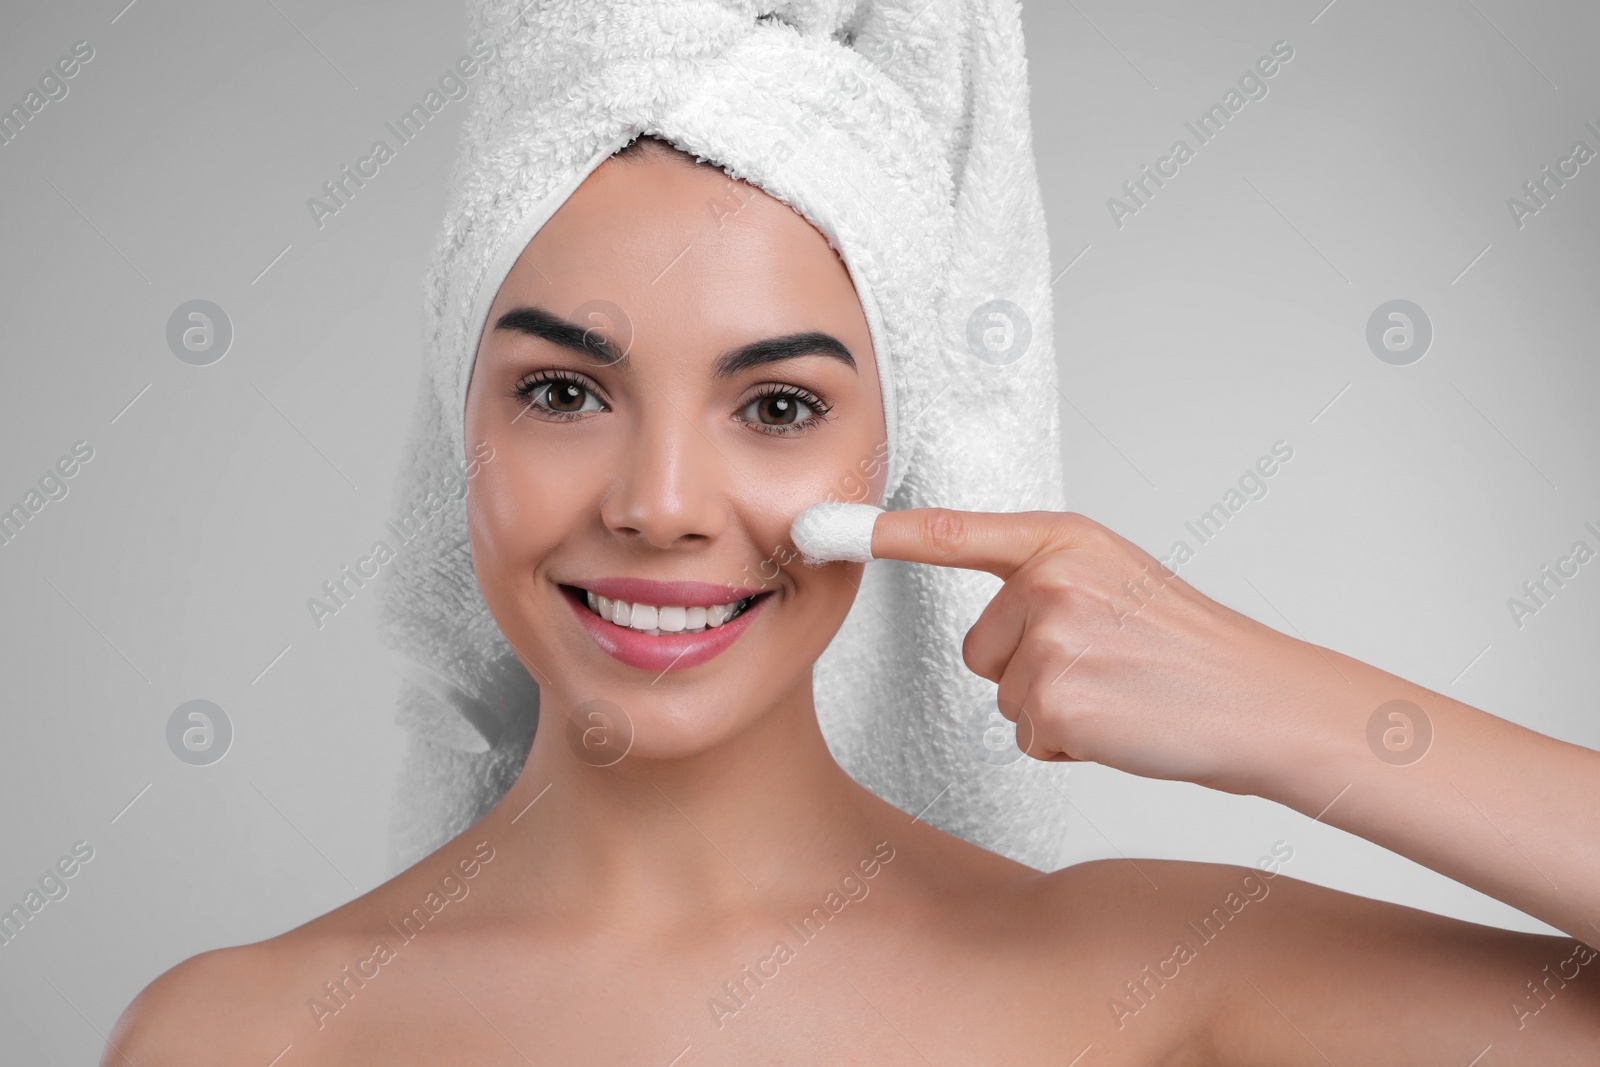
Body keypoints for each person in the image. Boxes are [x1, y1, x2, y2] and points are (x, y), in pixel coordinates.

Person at [102, 132, 1600, 1066]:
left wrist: (1293, 711)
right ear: (462, 438)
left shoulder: (1147, 984)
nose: (663, 502)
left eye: (776, 407)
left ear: (899, 453)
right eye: (565, 390)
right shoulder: (235, 1039)